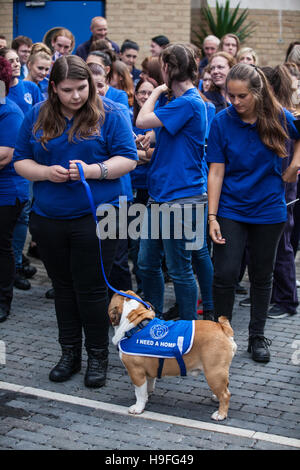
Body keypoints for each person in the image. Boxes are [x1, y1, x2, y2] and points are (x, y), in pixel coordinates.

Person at [13, 55, 138, 388]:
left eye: (82, 88)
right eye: (67, 90)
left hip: (99, 217)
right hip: (50, 218)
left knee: (93, 290)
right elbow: (20, 160)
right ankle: (69, 353)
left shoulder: (110, 113)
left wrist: (93, 170)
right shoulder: (36, 114)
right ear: (54, 88)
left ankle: (98, 356)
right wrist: (44, 173)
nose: (76, 96)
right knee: (64, 290)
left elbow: (129, 157)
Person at [206, 63, 300, 363]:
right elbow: (216, 171)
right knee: (225, 273)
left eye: (241, 96)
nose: (235, 102)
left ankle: (257, 336)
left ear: (257, 93)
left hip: (269, 210)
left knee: (262, 275)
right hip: (231, 208)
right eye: (230, 95)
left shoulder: (279, 116)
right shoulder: (222, 121)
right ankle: (221, 336)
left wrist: (293, 169)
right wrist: (212, 216)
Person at [136, 43, 208, 320]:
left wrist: (154, 90)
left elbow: (142, 119)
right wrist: (151, 138)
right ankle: (153, 318)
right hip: (162, 194)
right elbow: (163, 132)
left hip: (181, 197)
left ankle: (189, 328)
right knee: (146, 262)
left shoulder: (188, 101)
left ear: (167, 69)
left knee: (179, 268)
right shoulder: (181, 104)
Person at [259, 65, 299, 319]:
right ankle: (273, 293)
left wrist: (293, 168)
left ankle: (287, 300)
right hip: (275, 188)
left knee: (282, 245)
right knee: (272, 245)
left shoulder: (283, 114)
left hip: (283, 189)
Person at [0, 56, 28, 322]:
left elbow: (4, 156)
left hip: (7, 192)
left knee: (1, 245)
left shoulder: (10, 111)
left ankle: (3, 300)